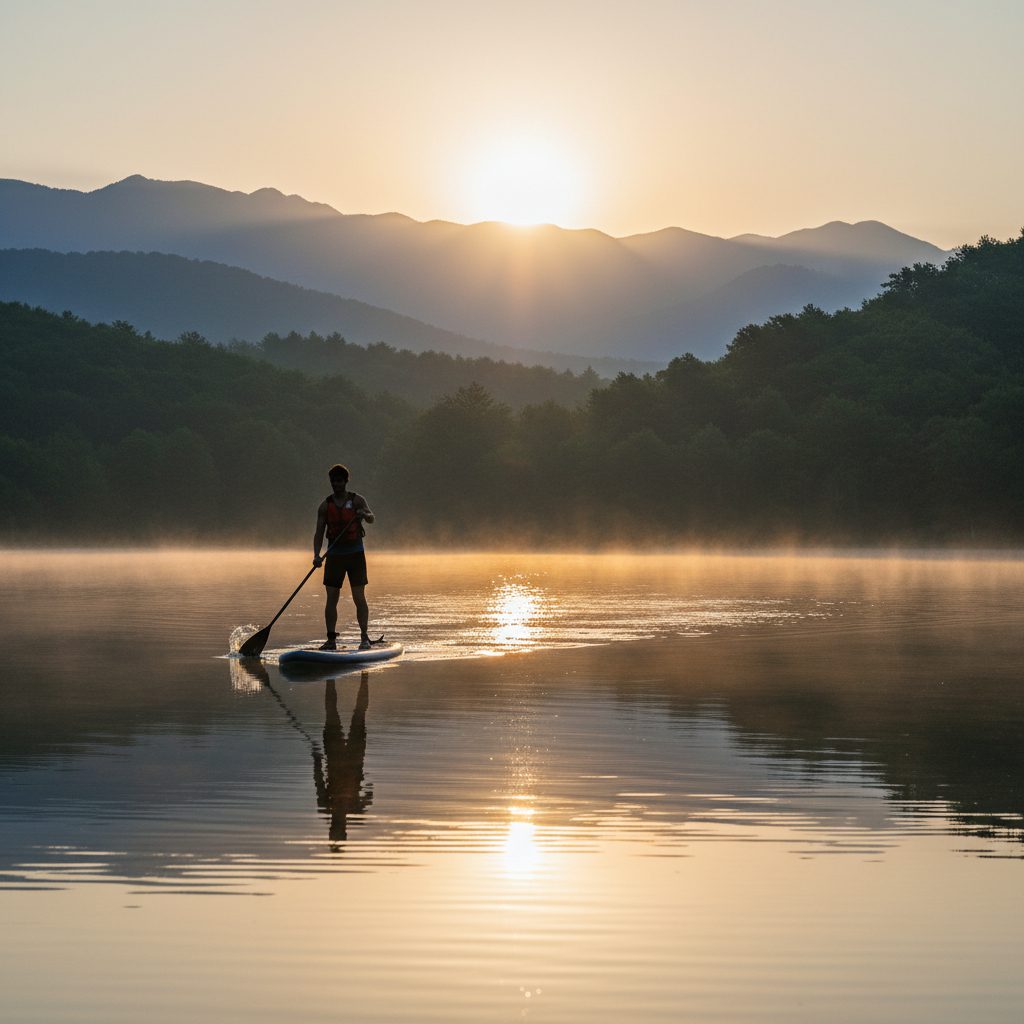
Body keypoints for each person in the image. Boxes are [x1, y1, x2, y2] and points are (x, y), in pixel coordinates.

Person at [312, 464, 375, 650]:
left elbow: (372, 518)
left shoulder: (357, 500)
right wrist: (316, 555)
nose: (336, 484)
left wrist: (364, 514)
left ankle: (364, 637)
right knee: (332, 598)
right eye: (333, 481)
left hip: (355, 555)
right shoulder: (325, 506)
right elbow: (318, 533)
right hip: (334, 556)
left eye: (339, 481)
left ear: (346, 481)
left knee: (359, 597)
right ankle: (331, 639)